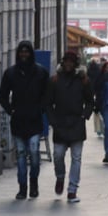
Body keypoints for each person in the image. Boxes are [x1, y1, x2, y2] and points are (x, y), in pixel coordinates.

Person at [0, 40, 50, 199]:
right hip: (18, 121)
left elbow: (47, 94)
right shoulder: (11, 73)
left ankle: (33, 182)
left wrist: (41, 109)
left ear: (31, 53)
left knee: (34, 152)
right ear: (18, 54)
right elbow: (2, 96)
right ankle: (22, 187)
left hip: (34, 120)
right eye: (22, 52)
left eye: (27, 52)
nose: (24, 55)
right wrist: (11, 110)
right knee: (20, 154)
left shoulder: (41, 73)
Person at [44, 51, 94, 202]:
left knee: (76, 158)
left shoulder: (83, 80)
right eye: (66, 61)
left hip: (77, 123)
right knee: (58, 155)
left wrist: (85, 115)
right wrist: (52, 120)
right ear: (63, 62)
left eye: (71, 62)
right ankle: (60, 177)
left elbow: (90, 100)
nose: (68, 64)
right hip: (60, 123)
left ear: (75, 64)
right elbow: (47, 103)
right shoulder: (55, 80)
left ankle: (72, 189)